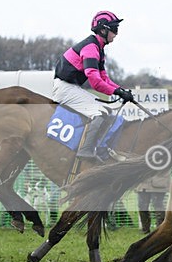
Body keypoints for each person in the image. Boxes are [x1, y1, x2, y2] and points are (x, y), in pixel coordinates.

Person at [52, 10, 135, 162]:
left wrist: (120, 90)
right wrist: (117, 91)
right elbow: (95, 82)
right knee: (101, 111)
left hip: (72, 87)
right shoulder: (90, 48)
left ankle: (101, 148)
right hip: (65, 88)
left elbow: (104, 78)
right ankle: (85, 150)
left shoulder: (99, 49)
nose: (116, 33)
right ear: (103, 30)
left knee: (107, 110)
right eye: (114, 29)